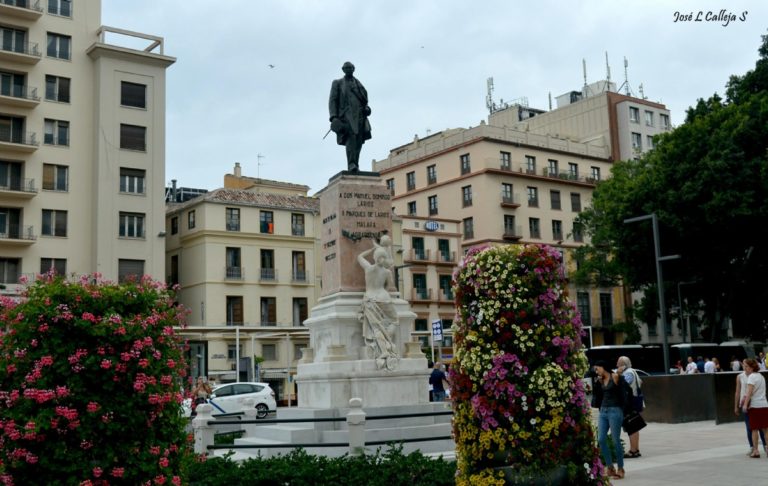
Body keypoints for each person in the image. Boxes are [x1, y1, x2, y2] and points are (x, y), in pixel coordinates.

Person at [357, 237, 399, 370]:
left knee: (375, 328)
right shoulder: (387, 272)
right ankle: (388, 343)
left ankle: (384, 348)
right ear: (384, 258)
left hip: (370, 298)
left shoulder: (368, 269)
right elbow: (389, 286)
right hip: (384, 297)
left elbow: (359, 257)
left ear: (375, 257)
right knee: (394, 321)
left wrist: (372, 249)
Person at [328, 61, 371, 172]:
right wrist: (333, 117)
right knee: (351, 138)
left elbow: (365, 101)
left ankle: (356, 163)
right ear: (343, 70)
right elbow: (333, 100)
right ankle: (351, 164)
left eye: (350, 67)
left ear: (353, 69)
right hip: (346, 115)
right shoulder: (337, 83)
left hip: (360, 115)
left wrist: (367, 109)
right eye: (346, 68)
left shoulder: (358, 84)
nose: (348, 69)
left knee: (359, 140)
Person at [593, 360, 626, 480]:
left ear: (603, 367)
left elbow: (623, 394)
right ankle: (610, 467)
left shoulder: (615, 376)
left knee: (615, 440)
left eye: (598, 368)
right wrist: (597, 383)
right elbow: (597, 396)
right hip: (603, 411)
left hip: (615, 410)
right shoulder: (600, 380)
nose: (597, 371)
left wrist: (622, 410)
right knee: (601, 439)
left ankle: (621, 469)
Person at [735, 362, 766, 454]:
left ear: (752, 367)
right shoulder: (760, 376)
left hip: (753, 405)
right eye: (744, 366)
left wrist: (745, 404)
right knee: (759, 428)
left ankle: (757, 449)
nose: (744, 367)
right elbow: (738, 392)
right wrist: (736, 405)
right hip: (760, 404)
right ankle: (758, 447)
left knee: (755, 428)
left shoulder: (752, 377)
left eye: (746, 366)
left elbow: (749, 393)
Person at [617, 356, 642, 459]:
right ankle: (636, 449)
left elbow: (623, 385)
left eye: (618, 363)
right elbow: (641, 382)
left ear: (623, 365)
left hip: (630, 403)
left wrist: (618, 375)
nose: (616, 365)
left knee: (631, 427)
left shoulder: (628, 373)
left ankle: (633, 450)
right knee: (634, 427)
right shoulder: (633, 371)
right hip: (634, 401)